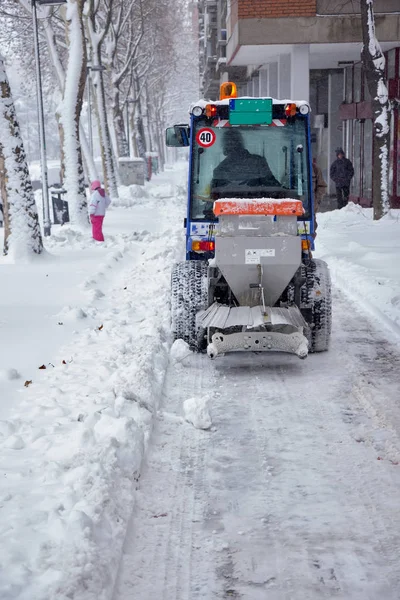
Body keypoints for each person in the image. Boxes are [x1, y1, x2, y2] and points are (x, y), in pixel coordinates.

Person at [211, 128, 280, 199]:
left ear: (224, 147)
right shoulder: (258, 161)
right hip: (260, 209)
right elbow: (274, 190)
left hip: (227, 210)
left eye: (230, 143)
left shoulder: (219, 170)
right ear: (241, 143)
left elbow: (213, 200)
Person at [312, 159, 327, 238]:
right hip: (294, 208)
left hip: (310, 208)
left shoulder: (315, 169)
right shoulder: (291, 168)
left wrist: (316, 199)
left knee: (311, 229)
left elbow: (322, 186)